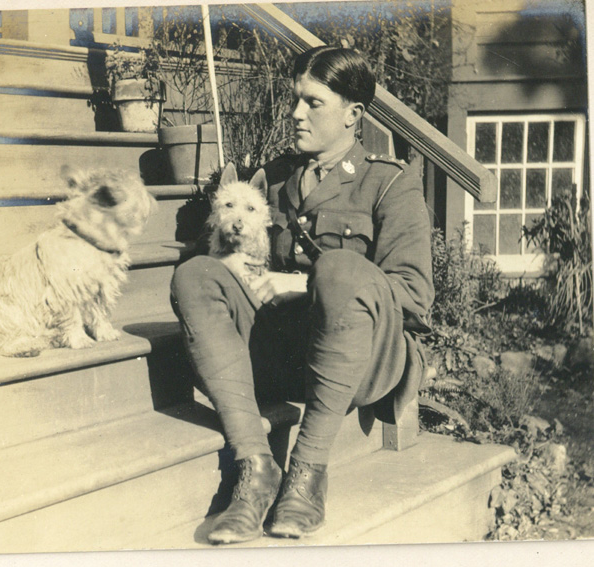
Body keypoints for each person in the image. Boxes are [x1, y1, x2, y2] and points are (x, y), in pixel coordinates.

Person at [170, 46, 434, 544]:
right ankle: (256, 469)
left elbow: (414, 296)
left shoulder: (389, 182)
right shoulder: (275, 178)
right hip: (287, 356)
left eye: (313, 103)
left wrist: (308, 283)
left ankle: (307, 474)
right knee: (195, 275)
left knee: (339, 269)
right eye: (295, 100)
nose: (295, 113)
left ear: (353, 114)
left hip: (362, 362)